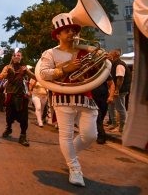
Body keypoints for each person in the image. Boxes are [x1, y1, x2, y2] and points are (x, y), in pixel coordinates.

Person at [37, 13, 99, 187]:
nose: (71, 33)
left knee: (90, 135)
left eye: (73, 30)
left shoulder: (84, 51)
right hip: (63, 97)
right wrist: (65, 69)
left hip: (85, 97)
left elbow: (94, 73)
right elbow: (43, 74)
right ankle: (74, 168)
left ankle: (69, 153)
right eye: (67, 31)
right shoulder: (50, 53)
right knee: (66, 135)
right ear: (58, 35)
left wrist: (99, 63)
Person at [0, 51, 34, 147]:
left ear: (21, 57)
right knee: (9, 116)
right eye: (15, 55)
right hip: (11, 95)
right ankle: (8, 128)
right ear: (12, 57)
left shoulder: (24, 68)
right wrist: (6, 73)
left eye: (19, 55)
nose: (17, 56)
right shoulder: (7, 67)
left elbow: (34, 77)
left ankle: (23, 136)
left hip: (22, 96)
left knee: (24, 118)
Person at [107, 49, 132, 133]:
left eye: (110, 53)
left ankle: (122, 127)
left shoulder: (119, 65)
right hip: (115, 89)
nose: (108, 54)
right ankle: (114, 124)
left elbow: (120, 78)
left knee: (120, 108)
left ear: (116, 54)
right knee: (111, 106)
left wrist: (117, 90)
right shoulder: (114, 64)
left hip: (120, 90)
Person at [92, 75, 115, 144]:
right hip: (92, 98)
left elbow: (111, 84)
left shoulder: (104, 71)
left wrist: (111, 96)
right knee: (97, 116)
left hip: (104, 97)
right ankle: (101, 136)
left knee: (101, 116)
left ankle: (96, 132)